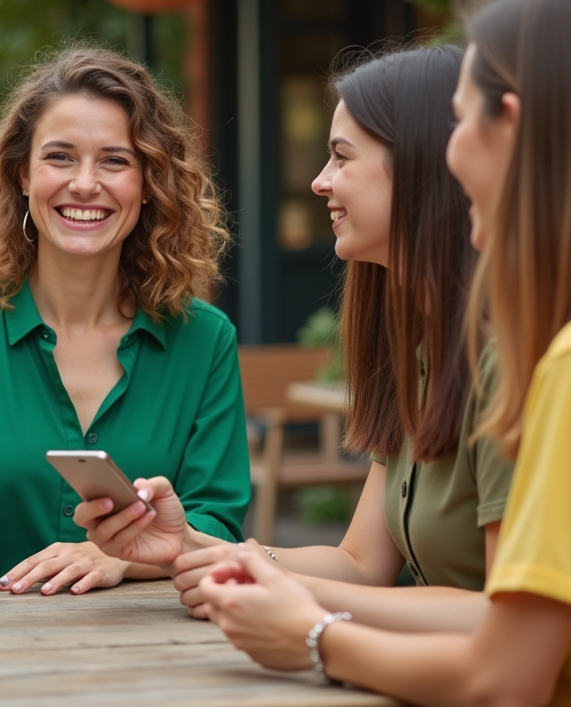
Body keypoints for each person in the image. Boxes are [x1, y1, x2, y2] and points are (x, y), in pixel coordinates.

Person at [196, 0, 571, 707]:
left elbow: (504, 677)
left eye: (463, 114)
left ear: (509, 125)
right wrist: (228, 563)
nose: (450, 151)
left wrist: (314, 637)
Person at [77, 44, 514, 631]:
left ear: (423, 167)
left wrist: (291, 597)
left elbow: (506, 617)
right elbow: (360, 563)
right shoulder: (420, 353)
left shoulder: (506, 360)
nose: (318, 181)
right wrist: (187, 546)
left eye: (340, 157)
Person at [0, 46, 250, 596]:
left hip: (155, 650)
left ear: (148, 184)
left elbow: (216, 526)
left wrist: (117, 557)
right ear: (22, 174)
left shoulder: (205, 340)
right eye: (60, 157)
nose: (86, 184)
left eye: (115, 161)